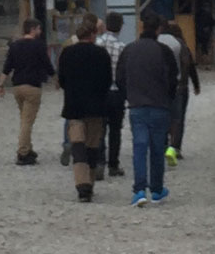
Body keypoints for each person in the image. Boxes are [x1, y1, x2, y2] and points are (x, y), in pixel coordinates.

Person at [115, 10, 178, 206]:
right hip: (159, 105)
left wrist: (130, 95)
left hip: (137, 105)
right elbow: (172, 80)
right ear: (159, 29)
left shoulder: (129, 50)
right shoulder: (164, 51)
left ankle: (139, 189)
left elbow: (119, 78)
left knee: (139, 147)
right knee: (158, 149)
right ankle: (157, 189)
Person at [57, 17, 113, 202]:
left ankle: (82, 186)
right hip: (96, 107)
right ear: (93, 34)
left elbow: (62, 80)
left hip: (74, 107)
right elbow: (107, 81)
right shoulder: (101, 54)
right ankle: (89, 182)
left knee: (78, 146)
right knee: (91, 147)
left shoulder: (67, 53)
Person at [0, 18, 54, 165]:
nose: (40, 32)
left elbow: (7, 67)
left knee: (24, 119)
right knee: (27, 122)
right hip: (32, 87)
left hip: (17, 87)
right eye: (39, 29)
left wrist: (0, 85)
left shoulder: (15, 46)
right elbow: (47, 65)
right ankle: (22, 153)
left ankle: (28, 148)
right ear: (33, 29)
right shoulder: (39, 46)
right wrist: (57, 79)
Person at [159, 22, 200, 165]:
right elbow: (190, 66)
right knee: (178, 119)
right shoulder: (182, 45)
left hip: (163, 87)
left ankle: (163, 145)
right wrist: (195, 84)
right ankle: (175, 148)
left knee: (164, 116)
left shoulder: (161, 45)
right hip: (180, 87)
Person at [96, 11, 127, 177]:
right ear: (120, 27)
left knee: (99, 129)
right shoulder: (121, 47)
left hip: (99, 91)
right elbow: (124, 73)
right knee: (115, 130)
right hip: (116, 92)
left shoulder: (97, 44)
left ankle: (99, 161)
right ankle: (113, 164)